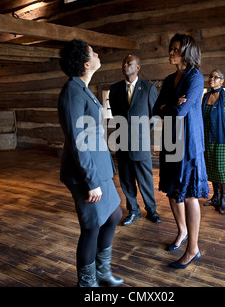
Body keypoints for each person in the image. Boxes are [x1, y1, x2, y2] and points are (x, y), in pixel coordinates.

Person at [58, 39, 123, 287]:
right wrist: (92, 181)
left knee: (114, 213)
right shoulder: (72, 92)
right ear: (86, 63)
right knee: (92, 227)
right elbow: (77, 141)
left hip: (99, 168)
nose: (98, 54)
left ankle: (102, 272)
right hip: (84, 173)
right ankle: (87, 284)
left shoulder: (83, 88)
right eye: (94, 53)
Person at [153, 33, 209, 269]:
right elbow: (157, 108)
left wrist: (171, 106)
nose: (171, 52)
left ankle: (193, 249)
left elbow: (181, 112)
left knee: (188, 195)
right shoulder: (168, 79)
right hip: (170, 140)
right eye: (171, 48)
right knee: (172, 191)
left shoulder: (195, 77)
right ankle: (182, 231)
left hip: (188, 143)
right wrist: (170, 105)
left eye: (176, 49)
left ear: (187, 52)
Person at [109, 54, 161, 226]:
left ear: (138, 67)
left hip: (141, 143)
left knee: (145, 179)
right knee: (126, 179)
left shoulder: (148, 88)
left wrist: (143, 132)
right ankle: (133, 211)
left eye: (129, 63)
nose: (125, 65)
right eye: (123, 62)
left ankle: (151, 210)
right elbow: (116, 116)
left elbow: (155, 116)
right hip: (122, 142)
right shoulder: (115, 89)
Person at [202, 69, 225, 214]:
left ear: (222, 81)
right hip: (206, 138)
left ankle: (223, 200)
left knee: (220, 169)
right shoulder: (205, 96)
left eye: (216, 77)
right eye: (211, 76)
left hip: (221, 140)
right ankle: (215, 197)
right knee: (210, 167)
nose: (212, 79)